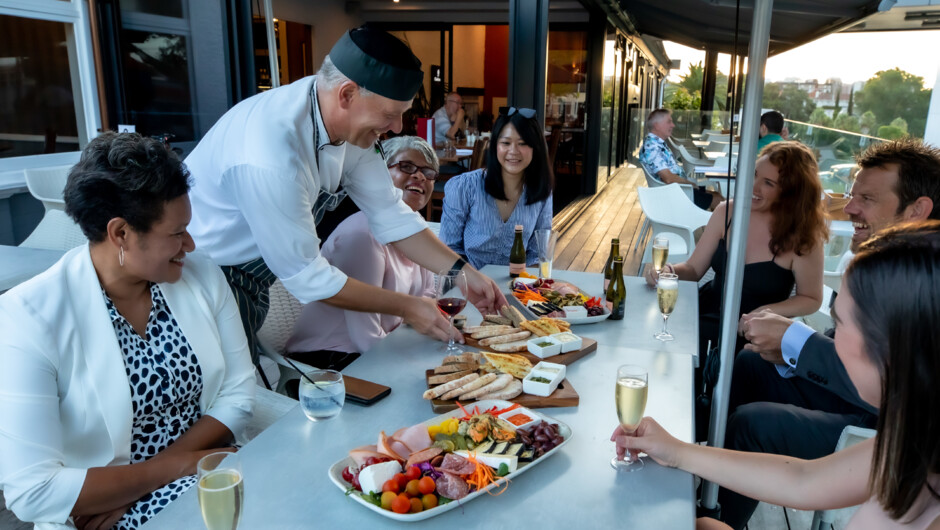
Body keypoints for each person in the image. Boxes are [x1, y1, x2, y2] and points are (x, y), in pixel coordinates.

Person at [183, 26, 505, 372]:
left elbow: (392, 215)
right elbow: (310, 278)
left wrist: (462, 272)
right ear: (347, 94)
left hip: (258, 277)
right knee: (222, 396)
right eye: (389, 113)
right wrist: (409, 306)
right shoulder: (272, 155)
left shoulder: (349, 128)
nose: (397, 127)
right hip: (204, 280)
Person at [0, 132, 256, 530]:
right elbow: (32, 491)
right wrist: (169, 472)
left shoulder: (201, 276)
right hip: (102, 515)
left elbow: (238, 392)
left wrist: (161, 472)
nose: (189, 243)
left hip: (201, 472)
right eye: (176, 233)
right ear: (120, 233)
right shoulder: (27, 318)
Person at [615, 221, 940, 530]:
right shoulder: (915, 443)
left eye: (839, 323)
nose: (829, 339)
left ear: (894, 348)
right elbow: (803, 480)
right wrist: (676, 450)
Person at [719, 139, 940, 528]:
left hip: (884, 426)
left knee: (754, 424)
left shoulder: (926, 283)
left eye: (866, 199)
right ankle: (713, 490)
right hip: (860, 394)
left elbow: (891, 388)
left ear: (917, 210)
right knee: (751, 362)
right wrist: (788, 351)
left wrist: (794, 342)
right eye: (852, 195)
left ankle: (719, 518)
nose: (849, 208)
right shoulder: (884, 259)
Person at [646, 141, 827, 363]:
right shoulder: (727, 211)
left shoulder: (803, 236)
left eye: (768, 183)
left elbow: (811, 298)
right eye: (754, 175)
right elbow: (693, 269)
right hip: (703, 317)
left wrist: (765, 312)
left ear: (791, 192)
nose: (753, 186)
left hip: (753, 336)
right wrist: (669, 270)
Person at [286, 136, 438, 367]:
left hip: (384, 345)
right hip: (330, 359)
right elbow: (365, 337)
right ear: (378, 173)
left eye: (428, 172)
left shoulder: (416, 231)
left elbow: (427, 295)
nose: (419, 176)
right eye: (406, 166)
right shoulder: (362, 235)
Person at [439, 106, 553, 270]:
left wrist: (526, 290)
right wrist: (476, 283)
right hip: (468, 285)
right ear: (495, 146)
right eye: (506, 143)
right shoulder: (465, 187)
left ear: (536, 148)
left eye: (523, 143)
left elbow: (537, 253)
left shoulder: (542, 191)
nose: (513, 151)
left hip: (518, 287)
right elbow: (449, 249)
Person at [639, 108, 722, 210]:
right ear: (657, 125)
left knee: (717, 196)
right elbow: (668, 178)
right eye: (669, 121)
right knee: (719, 202)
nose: (673, 125)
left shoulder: (656, 144)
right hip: (675, 195)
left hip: (677, 191)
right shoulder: (652, 147)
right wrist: (691, 184)